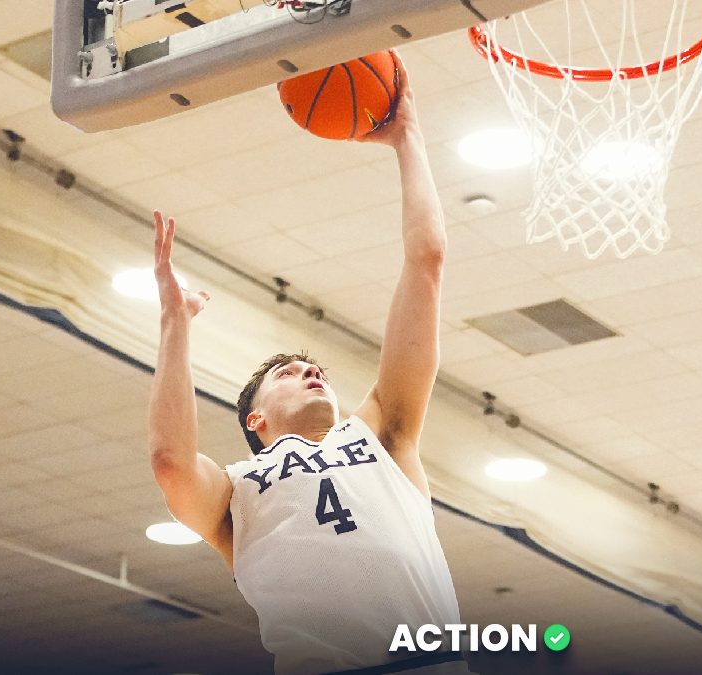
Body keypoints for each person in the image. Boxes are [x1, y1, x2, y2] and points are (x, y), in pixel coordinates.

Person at [148, 51, 470, 675]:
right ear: (256, 420)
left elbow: (426, 258)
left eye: (313, 367)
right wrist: (174, 324)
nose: (309, 372)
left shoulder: (384, 436)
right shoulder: (234, 494)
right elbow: (170, 462)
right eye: (286, 374)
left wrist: (409, 139)